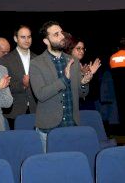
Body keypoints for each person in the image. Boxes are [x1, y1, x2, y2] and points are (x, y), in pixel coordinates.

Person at [29, 21, 90, 151]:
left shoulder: (73, 60)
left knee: (72, 167)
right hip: (49, 129)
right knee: (50, 169)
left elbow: (81, 94)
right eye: (56, 34)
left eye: (62, 33)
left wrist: (84, 83)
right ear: (46, 41)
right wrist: (64, 79)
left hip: (72, 125)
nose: (62, 37)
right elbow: (41, 94)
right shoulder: (36, 63)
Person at [0, 25, 37, 129]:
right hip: (14, 111)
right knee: (16, 144)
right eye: (23, 37)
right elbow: (3, 87)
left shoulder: (38, 59)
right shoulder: (5, 60)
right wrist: (23, 85)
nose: (27, 40)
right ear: (15, 38)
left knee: (34, 143)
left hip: (35, 110)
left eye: (29, 37)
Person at [64, 34, 101, 110]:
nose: (82, 51)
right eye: (78, 48)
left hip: (85, 103)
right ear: (70, 49)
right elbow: (69, 87)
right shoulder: (66, 64)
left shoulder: (80, 64)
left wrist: (88, 74)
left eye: (83, 48)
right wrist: (82, 75)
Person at [109, 37, 125, 135]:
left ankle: (124, 128)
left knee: (121, 108)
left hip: (118, 88)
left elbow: (113, 72)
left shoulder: (113, 57)